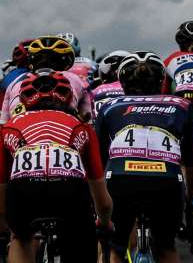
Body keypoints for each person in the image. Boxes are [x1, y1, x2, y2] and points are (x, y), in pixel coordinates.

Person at [96, 51, 193, 263]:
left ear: (122, 81)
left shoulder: (108, 107)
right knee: (166, 246)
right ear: (161, 79)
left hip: (120, 180)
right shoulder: (181, 106)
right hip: (167, 182)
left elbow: (98, 162)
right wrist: (188, 199)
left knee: (116, 247)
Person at [0, 72, 112, 262]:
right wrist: (104, 222)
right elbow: (101, 196)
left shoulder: (8, 127)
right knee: (81, 239)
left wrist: (5, 226)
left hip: (24, 194)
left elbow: (1, 188)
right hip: (70, 193)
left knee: (20, 238)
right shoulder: (82, 126)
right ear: (69, 98)